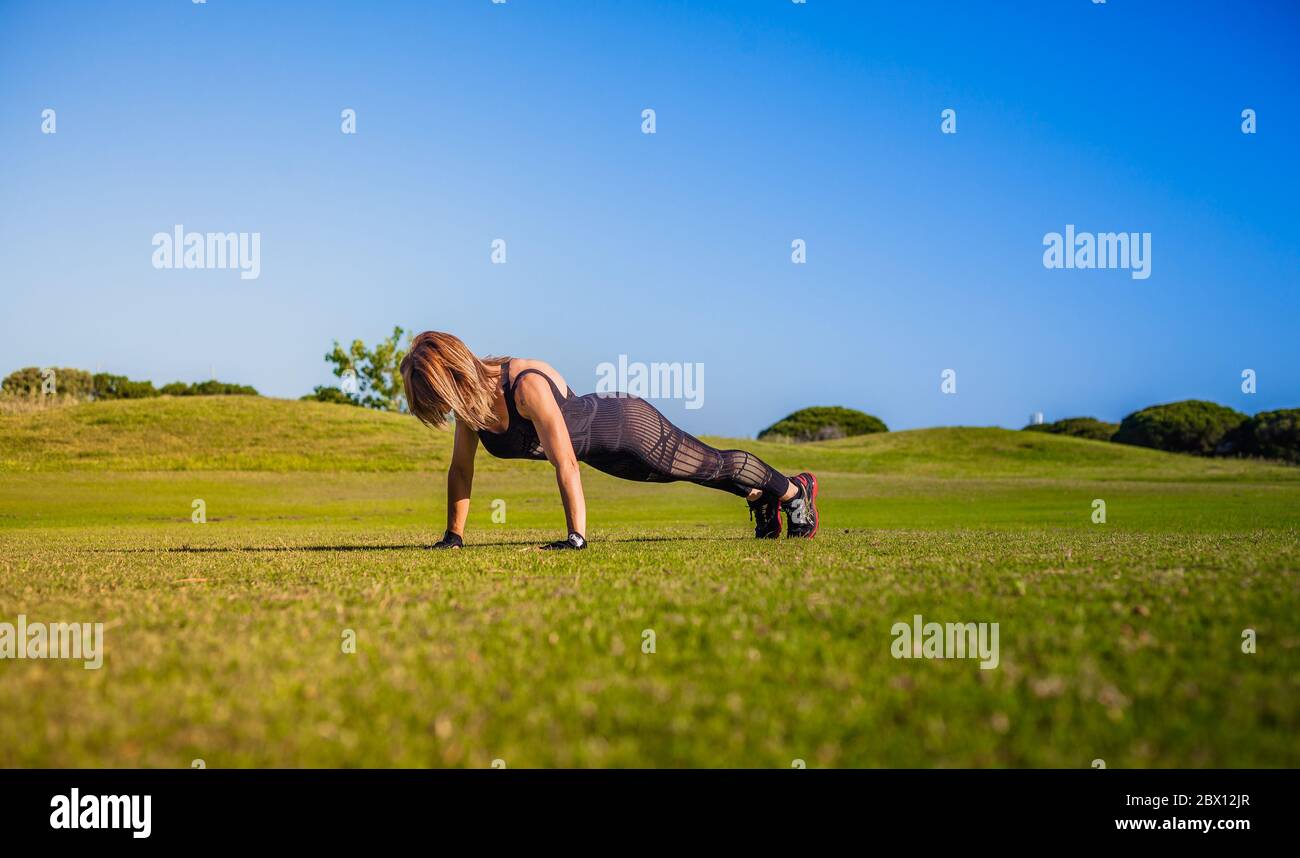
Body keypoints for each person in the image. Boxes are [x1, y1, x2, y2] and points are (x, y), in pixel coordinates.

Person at [399, 331, 819, 550]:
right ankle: (758, 497)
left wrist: (575, 537)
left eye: (442, 401)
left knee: (709, 464)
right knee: (693, 476)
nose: (447, 411)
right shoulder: (472, 406)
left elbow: (564, 462)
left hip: (627, 426)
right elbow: (460, 468)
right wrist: (453, 537)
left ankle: (795, 492)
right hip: (604, 454)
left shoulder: (524, 385)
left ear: (453, 376)